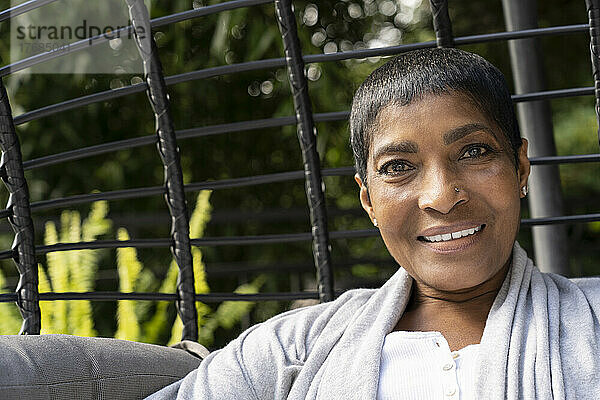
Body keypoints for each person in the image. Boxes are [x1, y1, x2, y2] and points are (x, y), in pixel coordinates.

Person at [149, 48, 600, 399]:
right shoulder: (290, 349)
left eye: (473, 152)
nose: (441, 196)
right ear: (368, 200)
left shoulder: (591, 319)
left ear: (520, 169)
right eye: (399, 166)